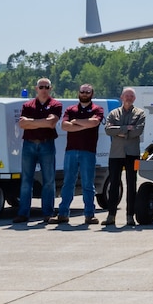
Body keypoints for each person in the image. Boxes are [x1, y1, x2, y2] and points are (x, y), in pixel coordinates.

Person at [56, 84, 103, 226]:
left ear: (92, 93)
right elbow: (64, 126)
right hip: (71, 151)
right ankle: (63, 214)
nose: (84, 94)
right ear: (79, 93)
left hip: (88, 151)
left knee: (88, 184)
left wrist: (75, 122)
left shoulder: (97, 109)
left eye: (87, 92)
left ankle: (89, 215)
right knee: (68, 183)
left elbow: (94, 122)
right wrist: (84, 125)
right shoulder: (71, 109)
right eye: (82, 91)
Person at [16, 78, 61, 223]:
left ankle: (48, 213)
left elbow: (51, 123)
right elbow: (22, 124)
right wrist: (42, 122)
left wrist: (32, 122)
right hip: (28, 145)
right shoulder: (27, 105)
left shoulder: (55, 104)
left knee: (48, 180)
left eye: (46, 87)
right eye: (41, 87)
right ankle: (23, 213)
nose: (44, 89)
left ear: (50, 88)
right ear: (36, 88)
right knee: (26, 180)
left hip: (47, 145)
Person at [102, 87, 146, 227]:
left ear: (134, 99)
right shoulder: (114, 113)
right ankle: (111, 216)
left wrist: (119, 131)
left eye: (131, 96)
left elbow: (137, 131)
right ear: (121, 97)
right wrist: (127, 128)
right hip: (116, 154)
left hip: (132, 154)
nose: (128, 98)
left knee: (131, 185)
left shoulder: (140, 113)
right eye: (126, 95)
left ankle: (129, 216)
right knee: (114, 185)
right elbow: (108, 129)